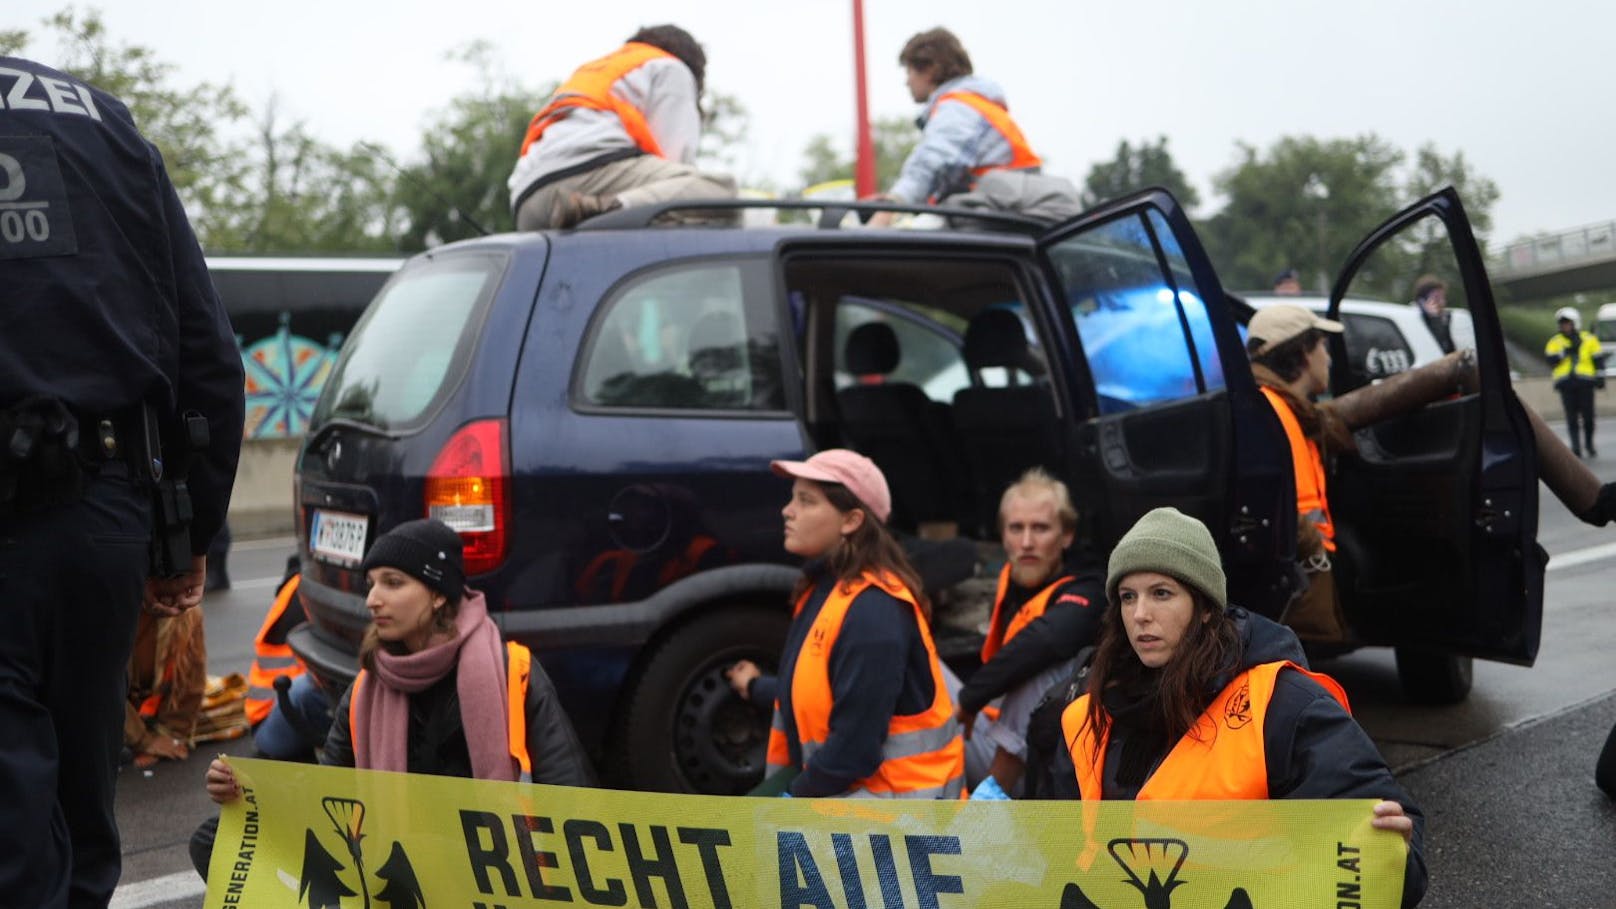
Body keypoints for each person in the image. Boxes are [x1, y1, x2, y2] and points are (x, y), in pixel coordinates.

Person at [0, 55, 246, 907]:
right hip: (105, 516)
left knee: (13, 818)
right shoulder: (106, 125)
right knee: (81, 789)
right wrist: (190, 535)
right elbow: (210, 355)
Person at [1050, 507, 1428, 907]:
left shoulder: (1281, 704)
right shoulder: (1086, 716)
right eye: (1128, 597)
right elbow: (1057, 855)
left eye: (1161, 593)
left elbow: (1381, 841)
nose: (1140, 614)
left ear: (1207, 606)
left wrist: (1392, 852)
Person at [194, 519, 594, 878]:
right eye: (371, 585)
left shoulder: (513, 673)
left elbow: (573, 799)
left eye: (393, 583)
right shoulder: (367, 689)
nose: (373, 599)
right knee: (213, 839)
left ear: (438, 595)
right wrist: (248, 791)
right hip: (399, 871)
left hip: (490, 872)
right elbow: (328, 792)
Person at [724, 449, 965, 798]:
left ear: (851, 521)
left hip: (894, 828)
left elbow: (854, 749)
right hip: (852, 806)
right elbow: (827, 694)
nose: (787, 511)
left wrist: (793, 799)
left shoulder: (873, 612)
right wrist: (758, 687)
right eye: (792, 498)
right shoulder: (827, 590)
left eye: (806, 501)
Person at [954, 468, 1105, 798]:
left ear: (1065, 536)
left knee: (1041, 668)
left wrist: (969, 699)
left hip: (1049, 764)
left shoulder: (1089, 586)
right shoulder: (1012, 577)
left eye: (1040, 528)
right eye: (1016, 528)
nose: (1026, 542)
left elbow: (1048, 639)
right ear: (1003, 537)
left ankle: (985, 814)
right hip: (991, 729)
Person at [507, 24, 737, 230]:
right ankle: (605, 208)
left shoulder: (603, 69)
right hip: (583, 178)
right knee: (719, 192)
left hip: (526, 203)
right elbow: (678, 160)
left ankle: (592, 210)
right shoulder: (671, 67)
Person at [868, 28, 1076, 227]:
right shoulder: (971, 103)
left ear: (929, 69)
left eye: (909, 71)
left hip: (1009, 208)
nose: (907, 81)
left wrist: (888, 212)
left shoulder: (958, 107)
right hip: (1012, 205)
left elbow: (930, 164)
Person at [1246, 304, 1354, 643]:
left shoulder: (1285, 409)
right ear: (1304, 353)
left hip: (1301, 574)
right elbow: (1265, 501)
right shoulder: (1269, 411)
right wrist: (1311, 545)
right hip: (1296, 577)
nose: (1329, 358)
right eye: (1322, 345)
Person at [123, 606, 209, 769]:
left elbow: (190, 682)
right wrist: (143, 740)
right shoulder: (108, 609)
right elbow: (96, 686)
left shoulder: (184, 612)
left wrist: (171, 735)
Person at [1544, 306, 1604, 459]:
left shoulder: (1589, 338)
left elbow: (1598, 360)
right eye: (1562, 324)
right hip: (1566, 384)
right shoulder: (1555, 341)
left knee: (1588, 417)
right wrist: (1564, 354)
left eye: (1567, 323)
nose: (1564, 326)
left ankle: (1589, 444)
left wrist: (1600, 378)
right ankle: (1576, 448)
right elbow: (1550, 360)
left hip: (1585, 383)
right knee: (1571, 418)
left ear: (1575, 323)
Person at [1411, 274, 1457, 355]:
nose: (1442, 303)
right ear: (1422, 301)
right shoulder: (1413, 320)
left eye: (1443, 298)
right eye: (1437, 298)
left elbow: (1449, 351)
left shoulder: (1444, 320)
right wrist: (1434, 319)